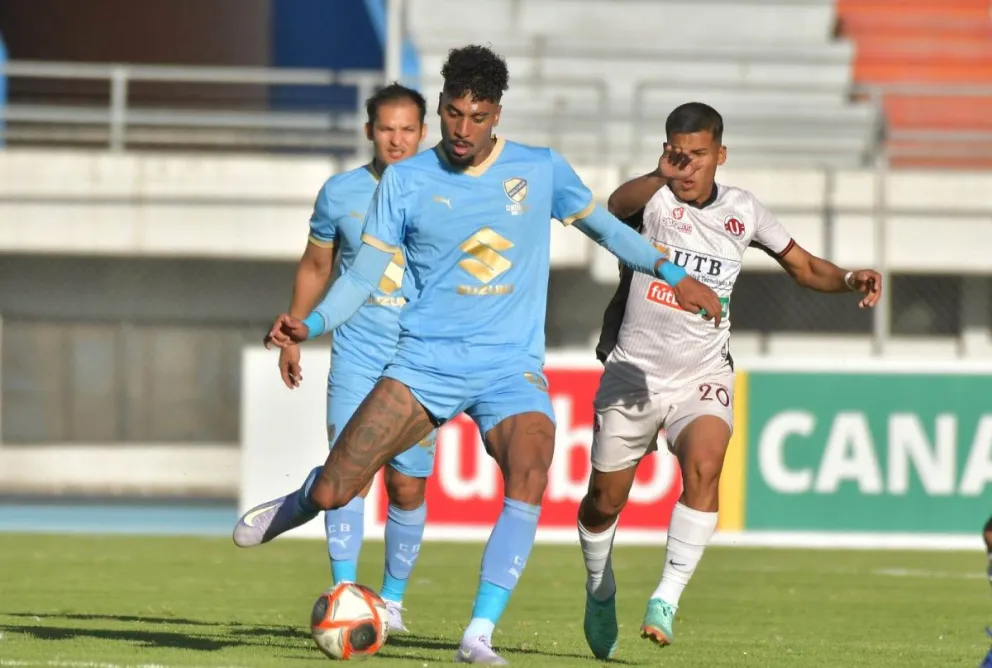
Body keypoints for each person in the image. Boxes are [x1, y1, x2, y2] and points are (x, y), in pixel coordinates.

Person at [233, 45, 721, 665]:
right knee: (337, 489)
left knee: (532, 464)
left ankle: (478, 633)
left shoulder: (539, 169)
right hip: (422, 365)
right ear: (440, 107)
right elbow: (361, 276)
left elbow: (609, 229)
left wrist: (673, 273)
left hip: (508, 369)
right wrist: (313, 323)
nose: (462, 130)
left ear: (497, 115)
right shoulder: (407, 181)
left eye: (478, 116)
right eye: (453, 114)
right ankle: (300, 502)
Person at [577, 102, 884, 660]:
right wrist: (658, 176)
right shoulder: (654, 199)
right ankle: (600, 591)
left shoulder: (745, 210)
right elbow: (612, 208)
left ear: (720, 154)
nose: (685, 165)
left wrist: (847, 277)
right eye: (676, 152)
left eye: (696, 155)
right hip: (632, 372)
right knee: (603, 502)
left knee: (706, 463)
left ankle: (666, 598)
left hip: (703, 371)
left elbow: (803, 266)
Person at [272, 83, 431, 633]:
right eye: (386, 128)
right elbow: (317, 266)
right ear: (369, 132)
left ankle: (390, 602)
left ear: (423, 133)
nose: (397, 138)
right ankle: (343, 593)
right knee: (349, 472)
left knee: (408, 485)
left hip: (418, 361)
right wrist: (295, 330)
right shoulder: (339, 193)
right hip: (358, 354)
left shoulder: (446, 191)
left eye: (407, 129)